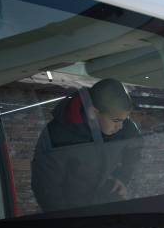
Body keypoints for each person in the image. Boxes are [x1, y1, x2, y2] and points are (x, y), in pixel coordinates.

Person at [31, 78, 142, 212]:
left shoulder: (124, 126)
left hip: (106, 202)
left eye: (125, 120)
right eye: (116, 121)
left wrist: (122, 177)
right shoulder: (58, 135)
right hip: (73, 210)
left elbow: (135, 149)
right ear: (93, 113)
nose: (120, 126)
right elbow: (46, 188)